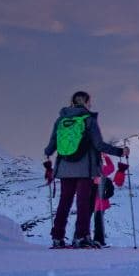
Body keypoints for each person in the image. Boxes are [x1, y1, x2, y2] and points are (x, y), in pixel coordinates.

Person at [44, 91, 128, 248]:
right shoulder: (89, 120)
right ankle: (81, 237)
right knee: (83, 203)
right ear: (86, 102)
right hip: (85, 169)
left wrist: (48, 155)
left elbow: (50, 147)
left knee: (64, 202)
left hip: (64, 168)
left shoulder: (61, 120)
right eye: (90, 102)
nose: (91, 104)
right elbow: (99, 145)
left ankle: (57, 237)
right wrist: (120, 152)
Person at [92, 153, 116, 247]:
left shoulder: (88, 170)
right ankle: (99, 240)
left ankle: (81, 238)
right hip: (101, 202)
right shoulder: (103, 170)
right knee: (99, 221)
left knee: (85, 220)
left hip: (89, 200)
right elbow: (112, 167)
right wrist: (106, 156)